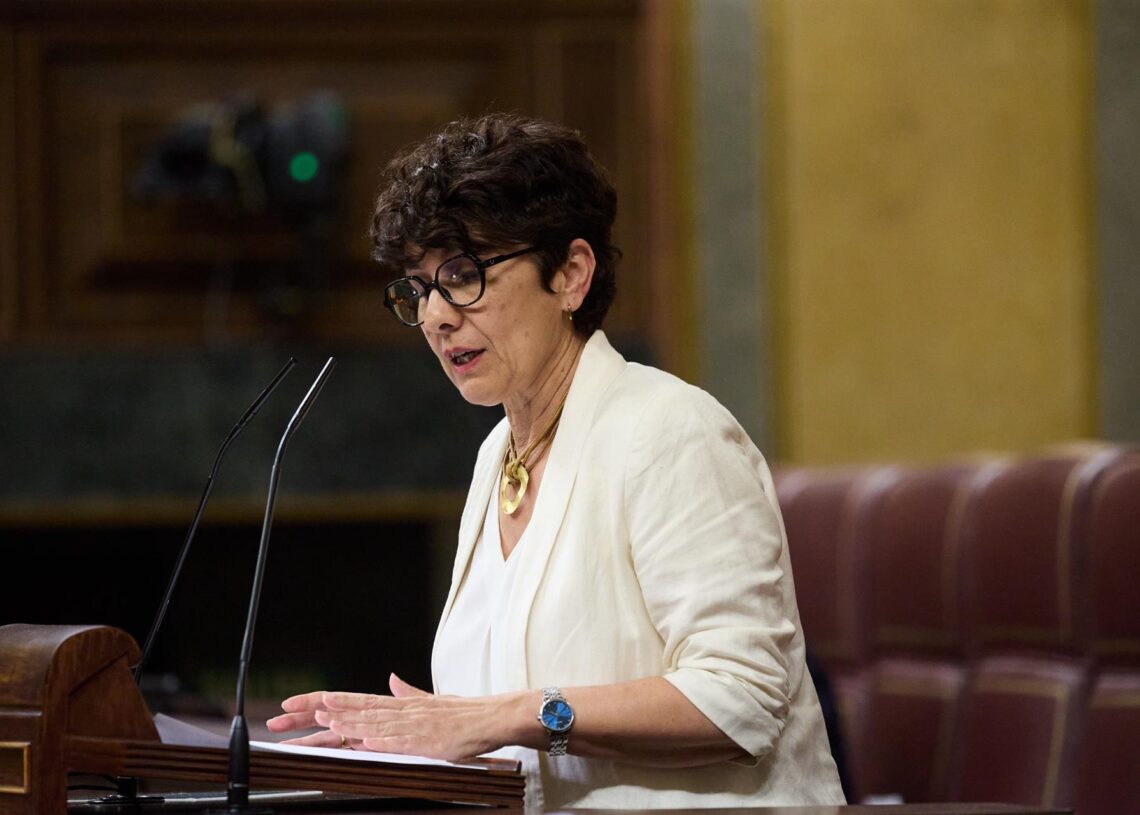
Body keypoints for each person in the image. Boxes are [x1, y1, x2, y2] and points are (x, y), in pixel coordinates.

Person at [266, 112, 845, 810]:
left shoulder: (670, 432)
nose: (435, 316)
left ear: (570, 274)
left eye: (463, 274)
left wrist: (501, 716)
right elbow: (505, 739)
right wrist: (406, 737)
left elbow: (740, 701)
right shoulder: (495, 457)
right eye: (419, 288)